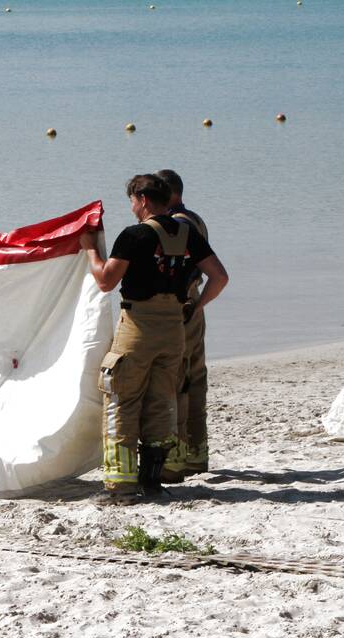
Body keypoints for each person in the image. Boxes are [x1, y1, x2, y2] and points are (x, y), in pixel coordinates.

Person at [78, 174, 228, 504]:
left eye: (132, 201)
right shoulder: (187, 233)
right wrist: (195, 306)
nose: (131, 208)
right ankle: (153, 482)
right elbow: (219, 277)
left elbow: (105, 281)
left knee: (122, 400)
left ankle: (120, 487)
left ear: (144, 200)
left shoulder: (134, 235)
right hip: (173, 329)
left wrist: (90, 251)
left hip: (138, 328)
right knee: (162, 402)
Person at [156, 169, 211, 482]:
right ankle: (195, 455)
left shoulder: (179, 224)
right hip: (195, 304)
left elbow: (185, 268)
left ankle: (176, 459)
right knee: (194, 378)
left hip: (183, 305)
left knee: (178, 380)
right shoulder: (195, 218)